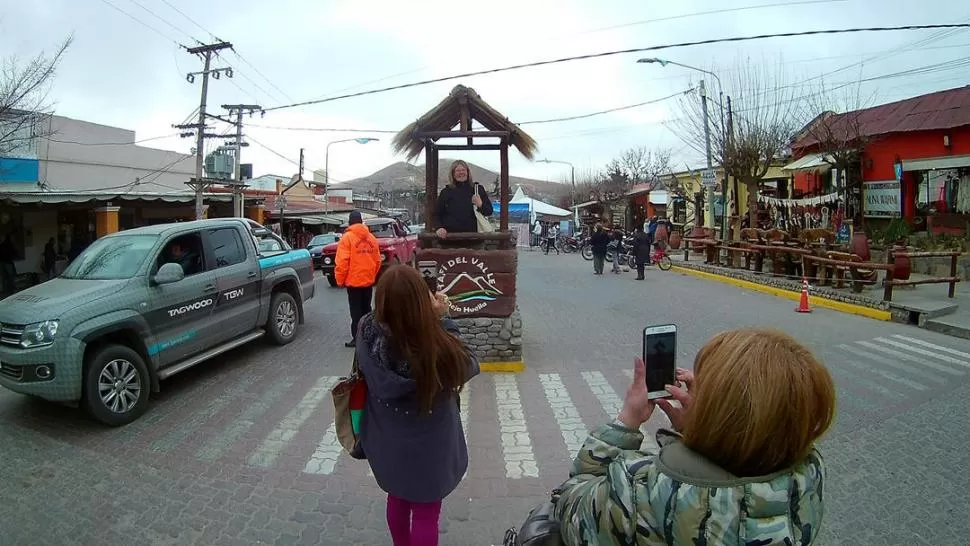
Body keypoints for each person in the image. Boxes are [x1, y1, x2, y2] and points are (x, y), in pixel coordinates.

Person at [554, 328, 836, 545]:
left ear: (715, 413)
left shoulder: (639, 490)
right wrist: (697, 432)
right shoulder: (806, 483)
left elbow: (571, 508)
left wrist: (626, 421)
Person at [356, 265, 480, 546]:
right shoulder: (434, 343)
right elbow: (468, 363)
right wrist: (443, 319)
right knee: (426, 513)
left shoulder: (366, 330)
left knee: (396, 497)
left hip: (386, 438)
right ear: (420, 302)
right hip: (430, 445)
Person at [335, 210, 381, 348]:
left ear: (350, 222)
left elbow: (342, 262)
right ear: (361, 221)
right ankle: (369, 336)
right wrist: (371, 274)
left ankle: (357, 338)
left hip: (353, 282)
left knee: (356, 312)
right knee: (367, 309)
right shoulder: (371, 238)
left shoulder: (347, 238)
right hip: (368, 281)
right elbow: (378, 260)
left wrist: (340, 280)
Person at [434, 160, 493, 238]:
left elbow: (489, 211)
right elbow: (437, 214)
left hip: (474, 240)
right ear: (453, 174)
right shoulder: (446, 192)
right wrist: (439, 227)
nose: (461, 173)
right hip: (449, 241)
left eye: (463, 170)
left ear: (468, 172)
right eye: (458, 171)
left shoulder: (477, 189)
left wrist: (480, 204)